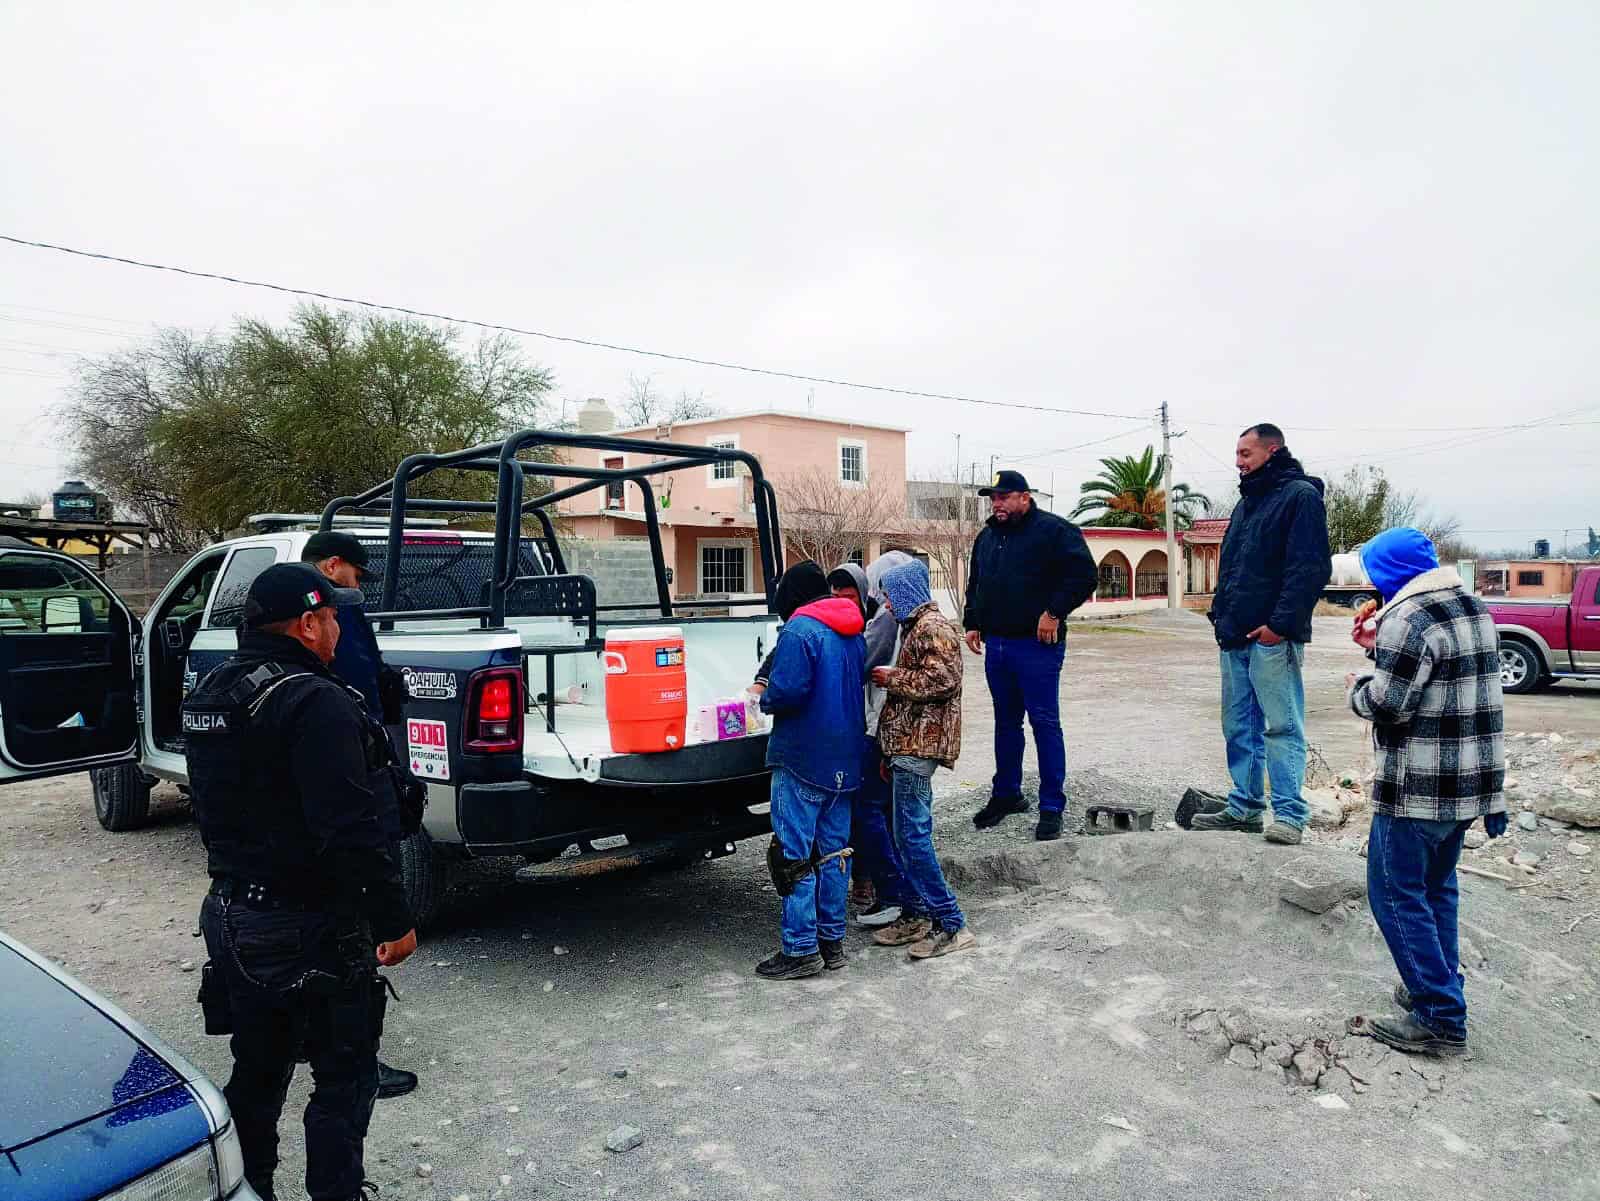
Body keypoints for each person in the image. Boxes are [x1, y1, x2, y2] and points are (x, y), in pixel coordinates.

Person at [186, 563, 417, 1201]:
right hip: (310, 921)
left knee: (258, 1070)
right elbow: (351, 831)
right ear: (309, 623)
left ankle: (246, 1188)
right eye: (334, 616)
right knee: (344, 1077)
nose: (341, 627)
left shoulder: (215, 689)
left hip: (235, 914)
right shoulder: (314, 700)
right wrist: (395, 921)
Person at [1347, 527, 1506, 1057]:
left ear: (1388, 571)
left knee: (1394, 894)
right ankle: (1438, 985)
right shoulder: (1472, 606)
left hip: (1417, 786)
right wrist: (1382, 651)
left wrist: (1359, 688)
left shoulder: (1407, 618)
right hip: (1469, 784)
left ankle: (1439, 1014)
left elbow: (1389, 704)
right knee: (1437, 889)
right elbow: (1445, 678)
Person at [302, 531, 420, 1100]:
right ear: (332, 566)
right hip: (349, 780)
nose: (355, 589)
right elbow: (362, 696)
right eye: (352, 574)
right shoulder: (332, 614)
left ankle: (306, 1039)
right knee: (349, 930)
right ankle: (354, 1064)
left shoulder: (253, 646)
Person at [1193, 424, 1332, 845]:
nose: (1238, 461)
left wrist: (1280, 627)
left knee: (1281, 726)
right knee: (1238, 725)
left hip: (1271, 638)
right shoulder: (1247, 502)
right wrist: (1220, 615)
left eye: (1246, 453)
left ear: (1273, 451)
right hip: (1234, 635)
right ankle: (1244, 808)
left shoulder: (1300, 497)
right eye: (1237, 453)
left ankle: (1289, 814)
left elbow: (1309, 569)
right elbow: (1234, 565)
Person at [962, 469, 1098, 840]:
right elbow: (976, 583)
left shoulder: (1055, 531)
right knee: (1006, 723)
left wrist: (1054, 612)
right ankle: (1007, 794)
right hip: (998, 645)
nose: (997, 504)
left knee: (1044, 723)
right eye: (993, 498)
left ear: (1025, 497)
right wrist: (972, 622)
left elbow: (1085, 576)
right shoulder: (988, 537)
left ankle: (1051, 806)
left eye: (1004, 497)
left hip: (1037, 646)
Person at [755, 561, 867, 980]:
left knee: (793, 856)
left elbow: (787, 691)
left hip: (802, 757)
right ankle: (831, 942)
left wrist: (761, 698)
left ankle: (800, 948)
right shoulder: (852, 629)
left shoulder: (800, 631)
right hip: (846, 759)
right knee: (835, 853)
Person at [870, 559, 975, 959]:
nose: (887, 604)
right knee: (905, 836)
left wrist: (891, 678)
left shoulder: (933, 628)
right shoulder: (914, 627)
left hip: (919, 747)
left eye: (890, 596)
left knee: (913, 839)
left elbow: (945, 680)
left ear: (906, 593)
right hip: (905, 748)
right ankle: (917, 915)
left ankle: (952, 923)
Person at [830, 555, 914, 928]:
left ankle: (895, 892)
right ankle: (894, 890)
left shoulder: (884, 620)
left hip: (880, 730)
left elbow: (862, 667)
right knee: (887, 812)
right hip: (885, 729)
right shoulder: (902, 619)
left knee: (869, 810)